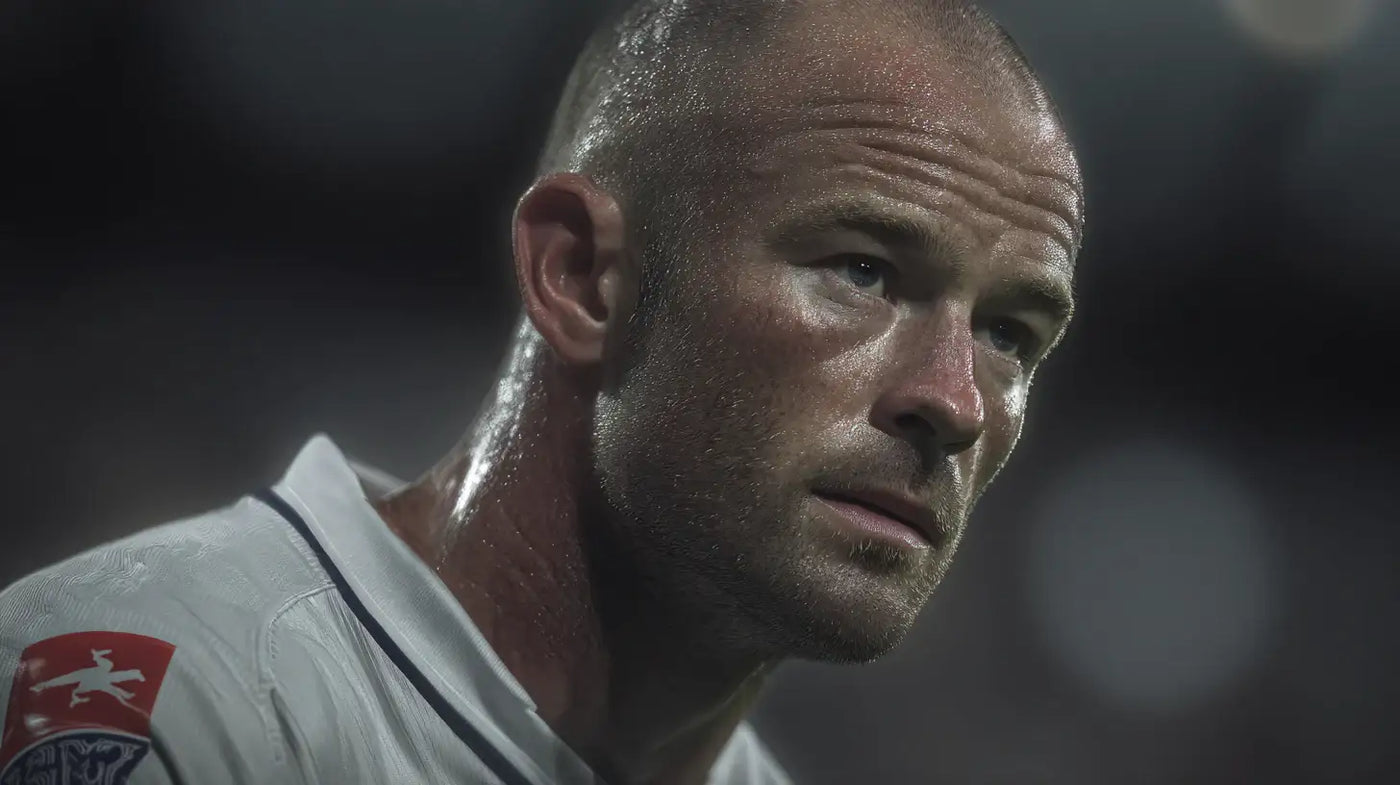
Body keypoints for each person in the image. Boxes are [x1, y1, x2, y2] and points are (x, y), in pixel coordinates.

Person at [0, 0, 1084, 782]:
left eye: (1007, 332)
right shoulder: (159, 694)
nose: (956, 401)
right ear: (579, 277)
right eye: (860, 269)